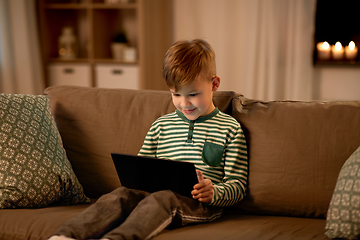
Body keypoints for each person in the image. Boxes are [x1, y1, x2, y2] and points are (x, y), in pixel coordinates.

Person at [48, 39, 248, 240]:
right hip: (154, 196)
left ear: (214, 84)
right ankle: (66, 236)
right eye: (176, 94)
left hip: (201, 205)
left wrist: (214, 192)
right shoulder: (161, 125)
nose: (184, 103)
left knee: (164, 198)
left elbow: (238, 185)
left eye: (193, 94)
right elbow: (141, 170)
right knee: (120, 195)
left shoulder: (229, 128)